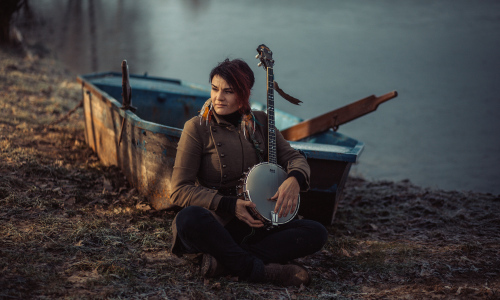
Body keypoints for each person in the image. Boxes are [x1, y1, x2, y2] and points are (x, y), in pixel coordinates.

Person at [169, 58, 327, 287]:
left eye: (228, 91)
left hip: (255, 222)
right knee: (189, 218)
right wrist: (230, 204)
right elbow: (179, 190)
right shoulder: (197, 128)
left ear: (244, 93)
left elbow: (294, 158)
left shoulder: (261, 123)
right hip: (216, 223)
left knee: (316, 232)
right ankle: (258, 271)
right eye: (214, 89)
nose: (218, 97)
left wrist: (295, 179)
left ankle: (224, 261)